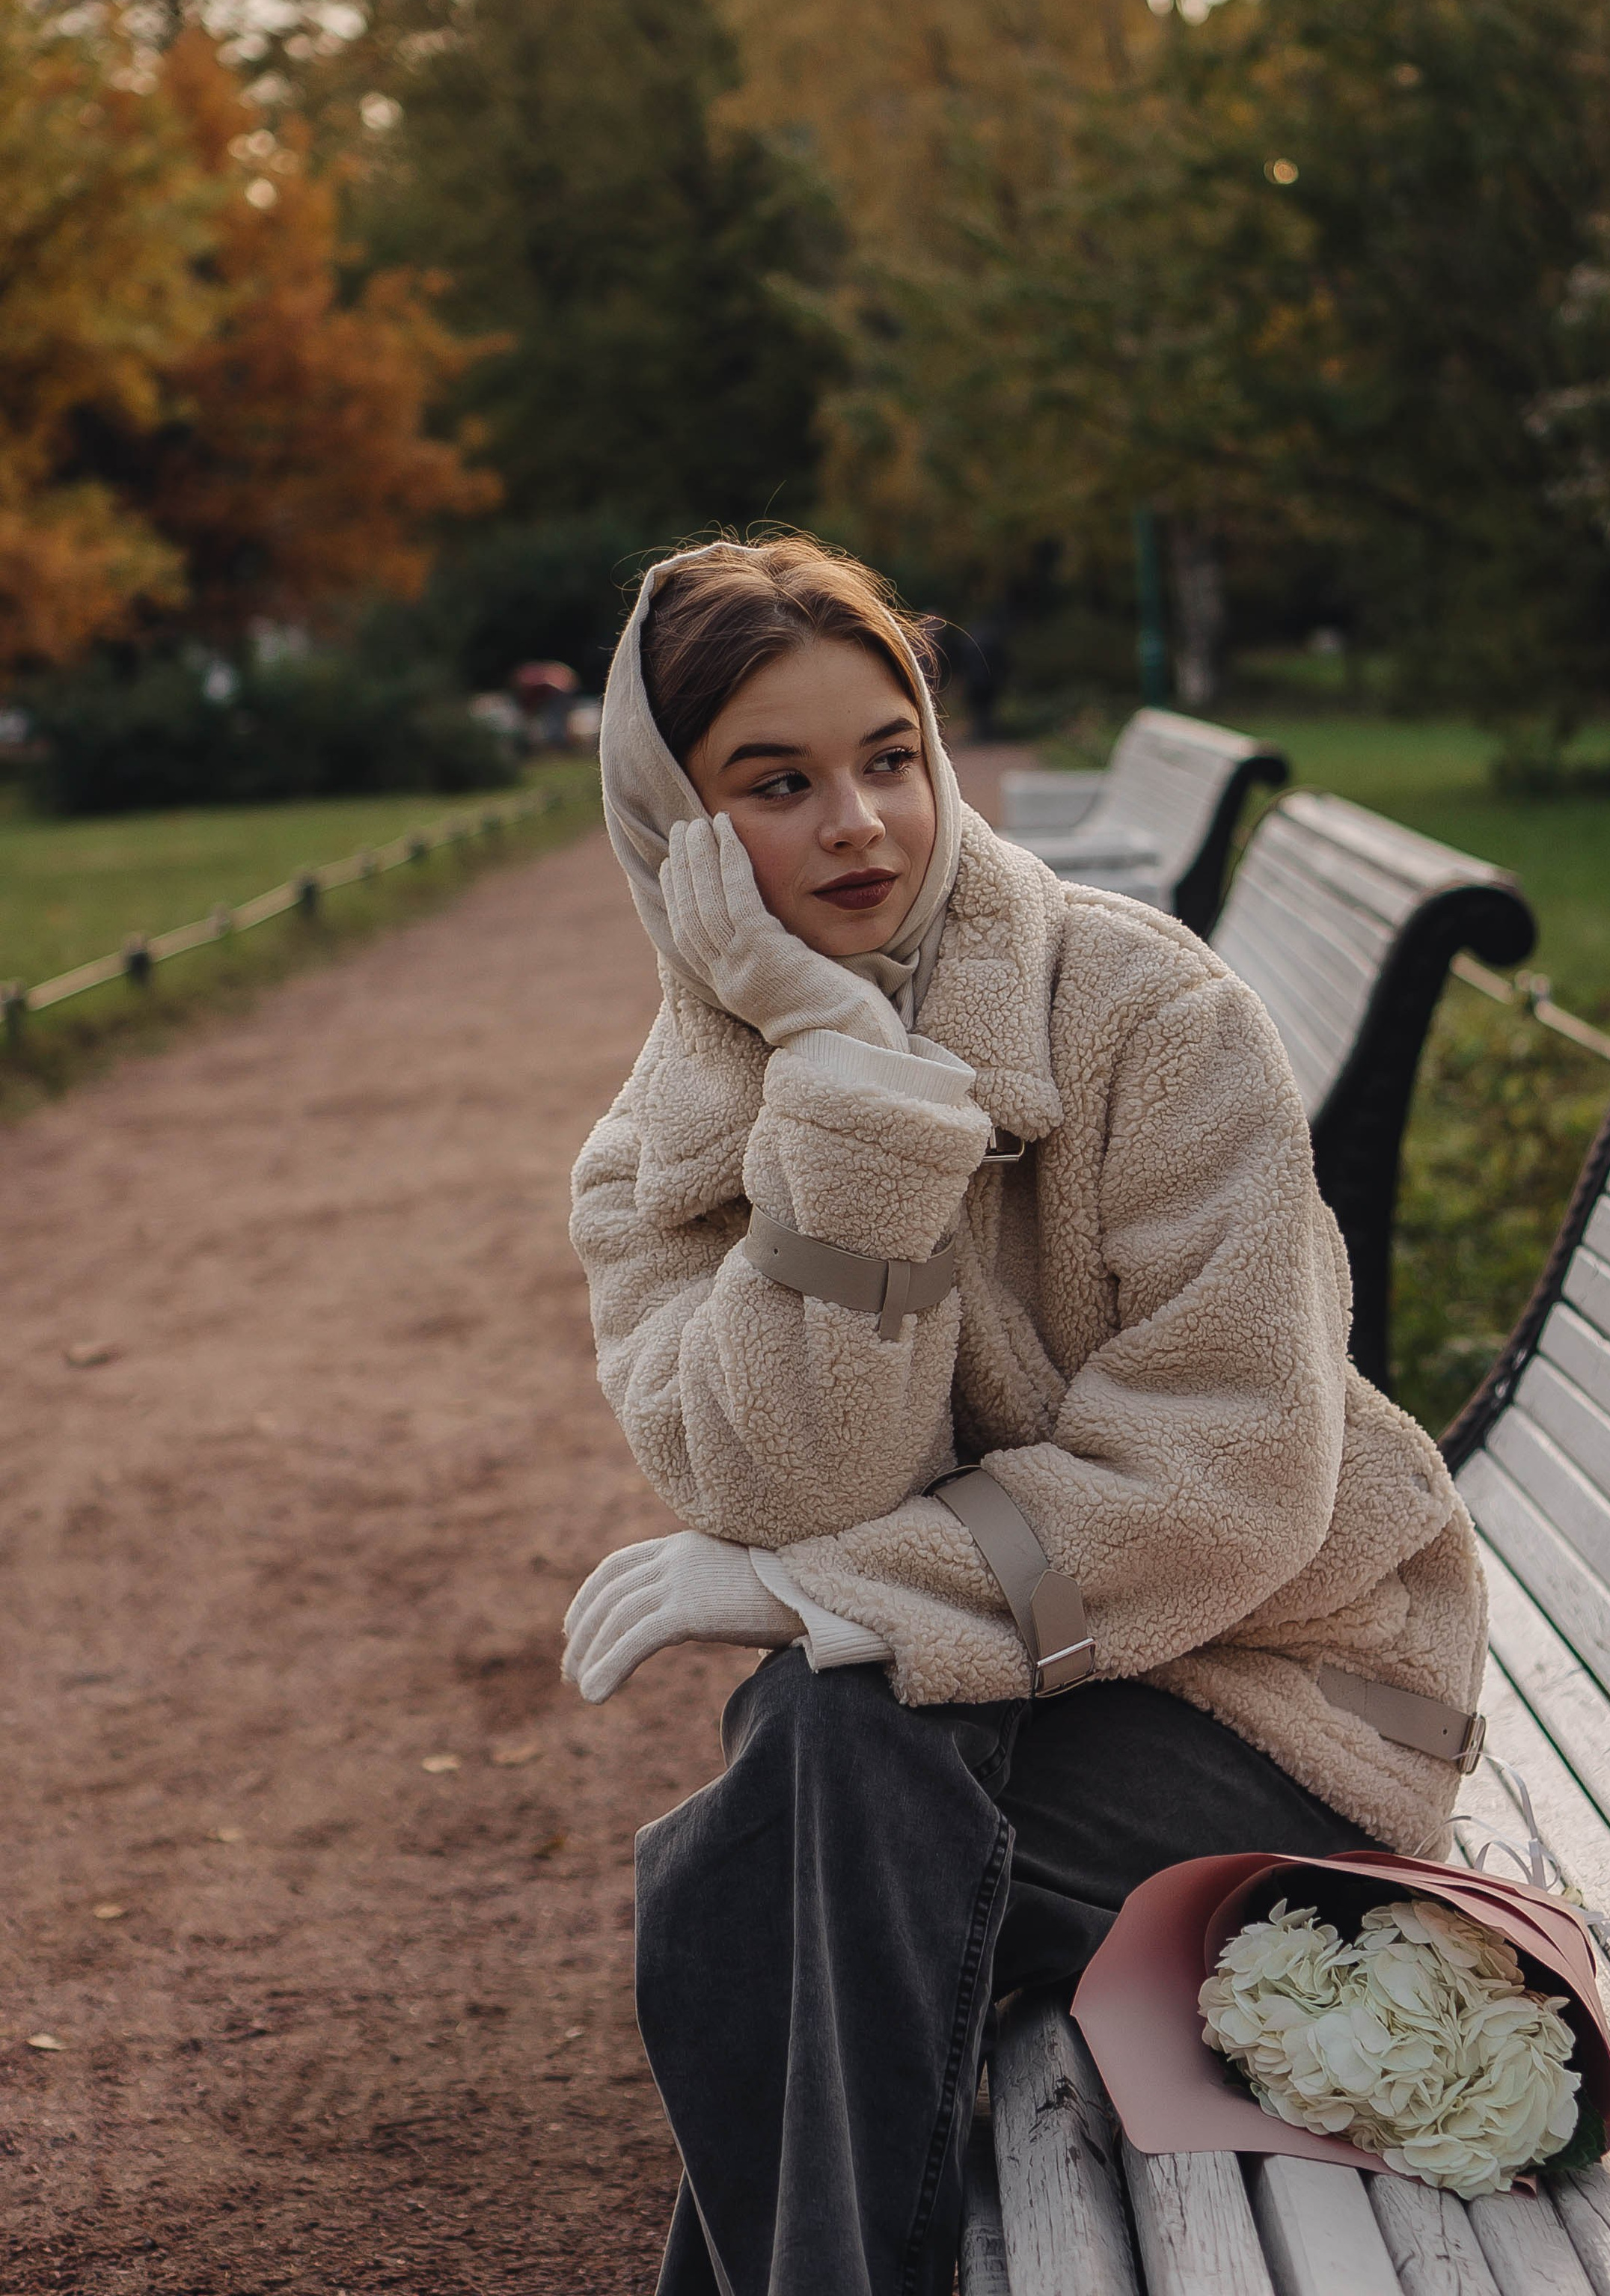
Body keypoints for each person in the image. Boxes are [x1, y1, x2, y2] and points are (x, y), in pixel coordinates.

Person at [563, 534, 1487, 2296]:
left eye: (888, 757)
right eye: (776, 783)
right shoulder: (660, 1154)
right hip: (991, 1724)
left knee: (805, 1801)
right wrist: (845, 1084)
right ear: (671, 833)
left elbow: (1221, 1486)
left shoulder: (1149, 1017)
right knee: (819, 1796)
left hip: (1294, 1694)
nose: (860, 824)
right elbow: (794, 1478)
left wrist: (826, 1595)